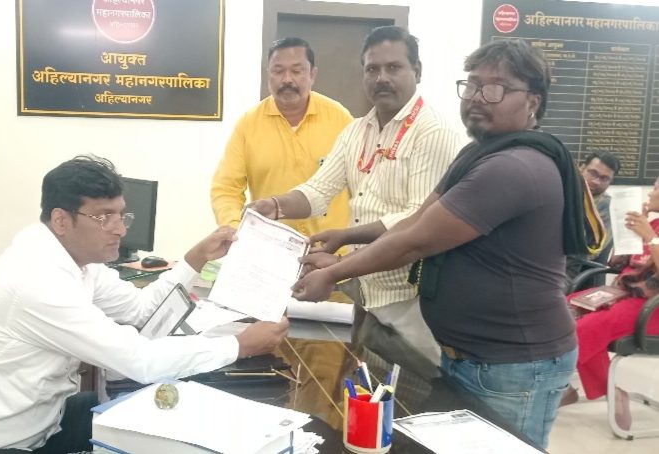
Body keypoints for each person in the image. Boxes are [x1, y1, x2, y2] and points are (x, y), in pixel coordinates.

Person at [290, 39, 602, 448]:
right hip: (472, 355)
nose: (478, 97)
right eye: (472, 85)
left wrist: (334, 272)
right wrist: (343, 249)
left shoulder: (514, 167)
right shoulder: (479, 153)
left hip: (513, 365)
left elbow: (415, 243)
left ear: (533, 101)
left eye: (496, 88)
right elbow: (416, 221)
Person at [0, 156, 289, 453]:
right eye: (103, 217)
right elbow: (139, 361)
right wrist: (239, 344)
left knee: (156, 420)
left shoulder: (77, 261)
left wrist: (195, 259)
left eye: (121, 215)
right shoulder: (36, 280)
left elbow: (140, 311)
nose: (119, 229)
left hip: (26, 423)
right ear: (62, 220)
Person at [250, 26, 461, 362]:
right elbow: (317, 191)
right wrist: (274, 206)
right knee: (368, 386)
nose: (381, 78)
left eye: (393, 67)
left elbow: (416, 221)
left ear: (417, 71)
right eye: (372, 69)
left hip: (411, 301)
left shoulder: (433, 132)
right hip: (364, 290)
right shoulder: (356, 130)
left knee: (410, 389)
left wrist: (344, 243)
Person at [211, 37, 352, 238]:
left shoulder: (340, 118)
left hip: (332, 248)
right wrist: (236, 230)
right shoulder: (248, 125)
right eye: (278, 71)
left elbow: (361, 182)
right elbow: (226, 188)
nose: (287, 79)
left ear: (312, 74)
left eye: (296, 71)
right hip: (271, 247)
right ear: (268, 74)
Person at [562, 178, 659, 431]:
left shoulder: (651, 231)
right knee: (558, 311)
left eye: (657, 189)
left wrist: (650, 238)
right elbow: (618, 263)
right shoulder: (651, 223)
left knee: (583, 329)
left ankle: (595, 391)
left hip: (650, 307)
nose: (651, 193)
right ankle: (587, 388)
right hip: (622, 293)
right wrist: (629, 234)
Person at [566, 151, 621, 286]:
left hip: (570, 270)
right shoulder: (564, 191)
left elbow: (590, 251)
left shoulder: (607, 206)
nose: (596, 182)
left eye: (604, 178)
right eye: (593, 173)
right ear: (581, 168)